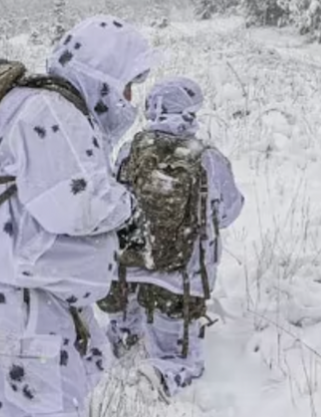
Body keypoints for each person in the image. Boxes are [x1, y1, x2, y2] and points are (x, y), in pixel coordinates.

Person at [0, 16, 156, 417]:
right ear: (102, 74)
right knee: (44, 407)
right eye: (126, 83)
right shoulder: (52, 110)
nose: (128, 97)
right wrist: (129, 208)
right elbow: (77, 205)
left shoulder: (37, 103)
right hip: (18, 290)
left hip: (13, 284)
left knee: (25, 401)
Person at [98, 77, 245, 401]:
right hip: (181, 277)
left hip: (126, 269)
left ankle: (111, 356)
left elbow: (110, 202)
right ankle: (161, 379)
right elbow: (231, 210)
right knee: (180, 358)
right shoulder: (208, 158)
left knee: (122, 328)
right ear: (190, 112)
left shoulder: (129, 151)